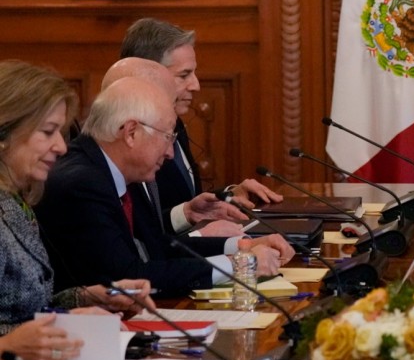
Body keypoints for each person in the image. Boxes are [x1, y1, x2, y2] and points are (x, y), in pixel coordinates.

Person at [35, 77, 293, 297]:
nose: (171, 153)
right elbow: (130, 276)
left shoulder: (114, 169)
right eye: (168, 137)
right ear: (131, 133)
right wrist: (240, 266)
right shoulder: (82, 184)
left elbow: (157, 247)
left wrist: (239, 247)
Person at [0, 61, 155, 360]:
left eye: (61, 132)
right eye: (48, 132)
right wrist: (6, 347)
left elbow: (20, 308)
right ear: (4, 133)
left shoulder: (16, 203)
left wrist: (86, 298)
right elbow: (15, 331)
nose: (61, 146)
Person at [119, 18, 284, 236]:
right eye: (184, 75)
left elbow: (185, 202)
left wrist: (228, 195)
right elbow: (142, 230)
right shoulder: (129, 137)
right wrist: (188, 217)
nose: (196, 86)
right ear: (149, 76)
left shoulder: (175, 121)